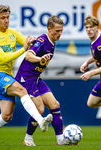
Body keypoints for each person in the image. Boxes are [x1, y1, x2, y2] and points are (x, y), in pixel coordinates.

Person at [0, 5, 52, 146]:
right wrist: (23, 49)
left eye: (8, 17)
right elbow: (4, 58)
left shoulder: (12, 32)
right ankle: (41, 121)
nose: (6, 20)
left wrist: (34, 42)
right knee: (22, 90)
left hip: (8, 77)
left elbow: (27, 43)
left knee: (6, 116)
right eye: (3, 18)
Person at [15, 16, 69, 146]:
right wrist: (39, 59)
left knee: (55, 105)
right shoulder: (42, 40)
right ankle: (28, 139)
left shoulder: (52, 41)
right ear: (49, 29)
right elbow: (28, 55)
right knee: (39, 110)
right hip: (26, 78)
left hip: (36, 78)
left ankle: (60, 140)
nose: (59, 33)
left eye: (61, 30)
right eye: (57, 31)